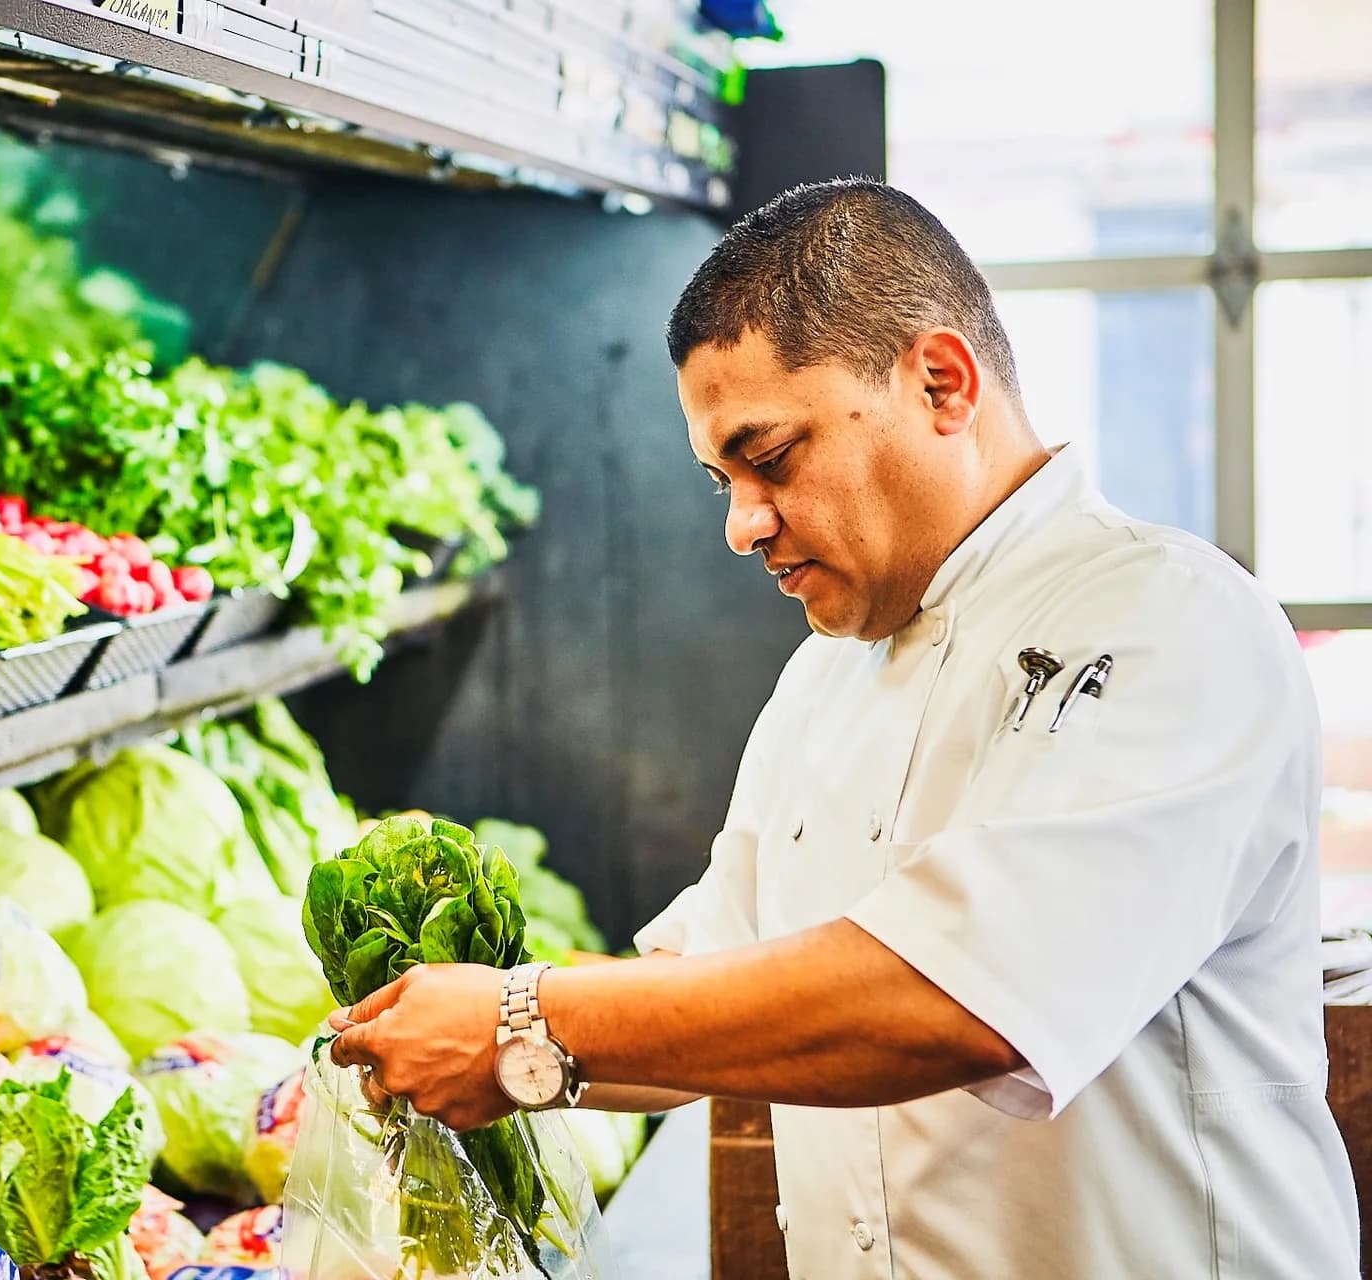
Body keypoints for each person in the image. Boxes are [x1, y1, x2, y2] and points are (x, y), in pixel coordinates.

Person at [328, 178, 1360, 1277]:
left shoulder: (1171, 621)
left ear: (941, 382)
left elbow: (954, 1000)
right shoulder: (823, 679)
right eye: (722, 480)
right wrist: (430, 1016)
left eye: (771, 457)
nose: (742, 525)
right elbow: (702, 1000)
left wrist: (519, 1016)